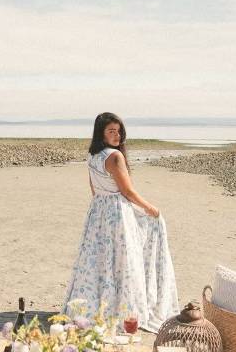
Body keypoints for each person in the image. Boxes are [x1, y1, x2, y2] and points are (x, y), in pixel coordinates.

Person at [63, 112, 179, 332]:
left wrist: (102, 205)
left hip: (98, 210)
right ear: (101, 133)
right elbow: (127, 191)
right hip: (116, 213)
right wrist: (149, 208)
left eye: (118, 131)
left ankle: (97, 305)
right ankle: (120, 309)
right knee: (122, 260)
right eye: (111, 131)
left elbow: (94, 189)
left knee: (98, 260)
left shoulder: (92, 156)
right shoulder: (115, 157)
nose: (117, 135)